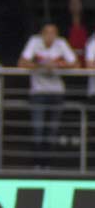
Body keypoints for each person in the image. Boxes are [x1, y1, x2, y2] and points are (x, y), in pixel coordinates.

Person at [18, 22, 78, 159]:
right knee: (37, 128)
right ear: (42, 34)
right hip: (38, 92)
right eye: (47, 33)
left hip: (57, 93)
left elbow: (75, 63)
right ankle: (37, 164)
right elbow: (22, 62)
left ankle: (48, 164)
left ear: (56, 35)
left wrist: (59, 65)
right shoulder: (34, 41)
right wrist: (42, 65)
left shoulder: (61, 43)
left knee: (52, 130)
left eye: (53, 33)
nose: (50, 36)